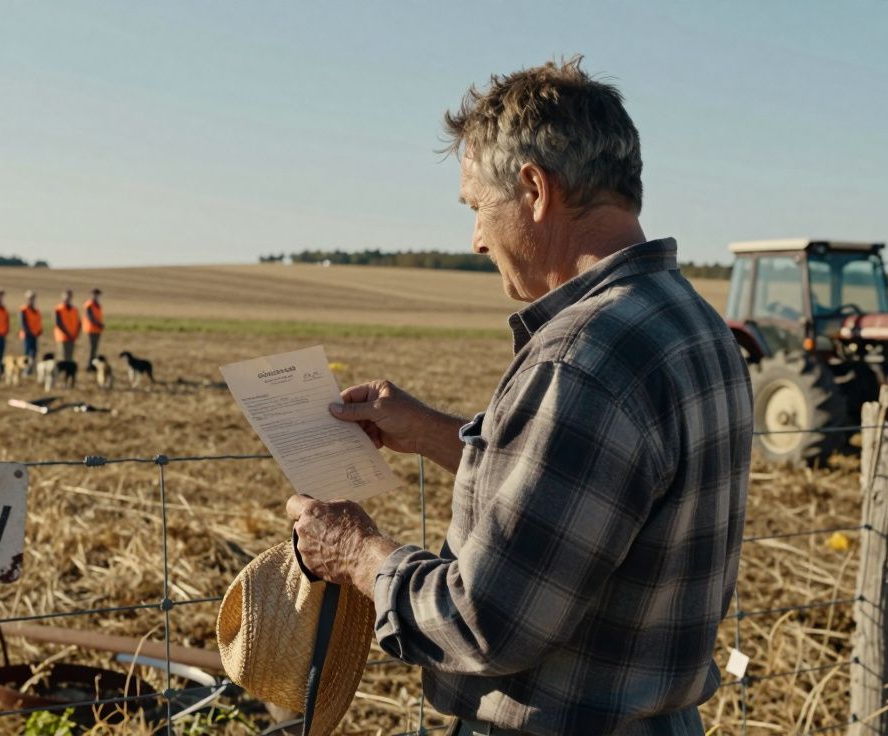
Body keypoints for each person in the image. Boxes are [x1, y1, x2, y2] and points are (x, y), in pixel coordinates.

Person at [287, 58, 753, 735]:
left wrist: (357, 553)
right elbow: (587, 493)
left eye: (478, 207)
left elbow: (485, 622)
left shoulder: (582, 357)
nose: (476, 238)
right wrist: (425, 431)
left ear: (534, 189)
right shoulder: (689, 323)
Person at [53, 289, 81, 362]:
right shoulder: (58, 309)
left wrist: (76, 334)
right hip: (62, 336)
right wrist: (67, 333)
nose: (68, 298)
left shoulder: (74, 309)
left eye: (69, 296)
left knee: (70, 356)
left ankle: (68, 372)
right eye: (66, 296)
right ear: (62, 297)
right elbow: (58, 323)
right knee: (63, 356)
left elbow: (78, 322)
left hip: (72, 336)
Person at [19, 290, 42, 371]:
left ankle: (30, 370)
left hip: (34, 336)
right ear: (26, 299)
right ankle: (24, 371)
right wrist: (30, 332)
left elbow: (38, 322)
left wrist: (39, 331)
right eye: (30, 298)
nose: (31, 300)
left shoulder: (36, 311)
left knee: (33, 354)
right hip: (27, 336)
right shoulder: (23, 310)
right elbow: (23, 324)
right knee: (26, 354)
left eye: (33, 298)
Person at [82, 287, 104, 370]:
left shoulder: (98, 305)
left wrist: (99, 325)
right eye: (95, 294)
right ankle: (89, 365)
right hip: (90, 329)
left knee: (95, 348)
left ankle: (93, 365)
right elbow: (90, 316)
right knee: (90, 348)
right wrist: (98, 324)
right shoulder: (89, 304)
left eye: (98, 294)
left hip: (97, 330)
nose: (96, 296)